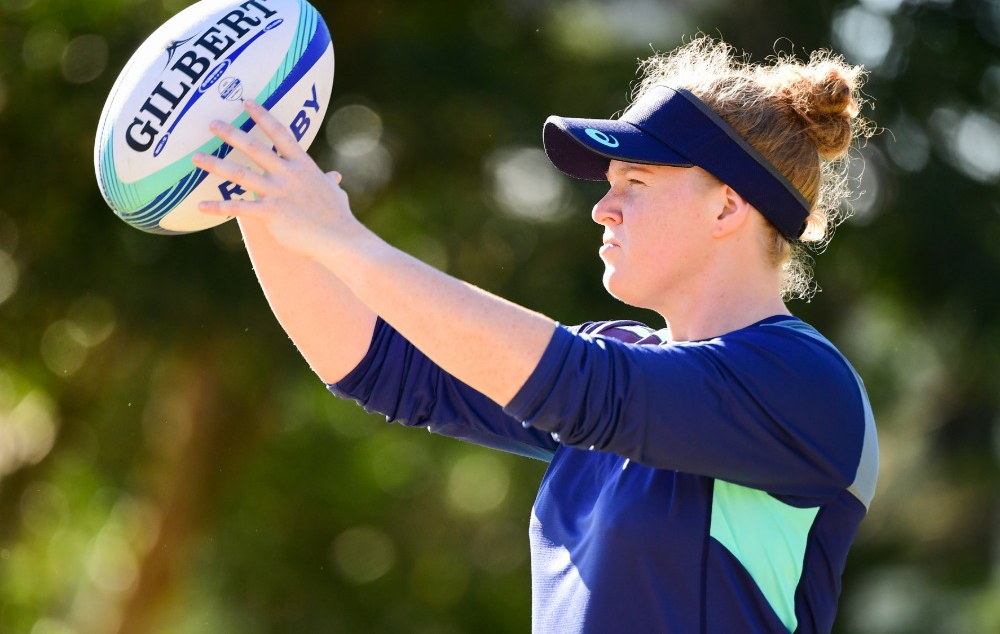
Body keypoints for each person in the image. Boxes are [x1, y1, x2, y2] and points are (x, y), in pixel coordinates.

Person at [193, 36, 879, 634]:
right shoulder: (622, 360)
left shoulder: (805, 385)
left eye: (634, 181)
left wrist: (341, 237)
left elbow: (582, 388)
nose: (603, 208)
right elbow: (382, 366)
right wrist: (258, 184)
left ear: (728, 204)